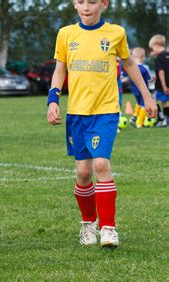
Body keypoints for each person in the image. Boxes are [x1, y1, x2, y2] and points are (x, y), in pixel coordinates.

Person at [47, 0, 157, 248]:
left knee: (100, 164)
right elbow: (60, 69)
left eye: (92, 2)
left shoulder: (116, 32)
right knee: (83, 173)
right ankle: (88, 223)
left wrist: (147, 95)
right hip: (77, 113)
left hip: (106, 110)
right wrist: (53, 100)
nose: (86, 7)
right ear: (75, 4)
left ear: (104, 4)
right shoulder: (66, 34)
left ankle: (109, 228)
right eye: (81, 2)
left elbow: (129, 63)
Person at [125, 48, 152, 128]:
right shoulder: (144, 67)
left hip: (134, 90)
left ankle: (134, 116)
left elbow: (126, 77)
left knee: (138, 103)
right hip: (143, 91)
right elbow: (150, 79)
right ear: (143, 57)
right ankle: (139, 123)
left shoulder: (131, 68)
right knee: (143, 105)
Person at [148, 34, 169, 127]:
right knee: (164, 102)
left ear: (156, 45)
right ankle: (166, 120)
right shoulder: (167, 55)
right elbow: (165, 70)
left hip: (162, 86)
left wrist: (164, 86)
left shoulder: (158, 58)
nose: (153, 51)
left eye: (153, 48)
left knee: (154, 101)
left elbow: (161, 72)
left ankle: (162, 119)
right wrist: (155, 77)